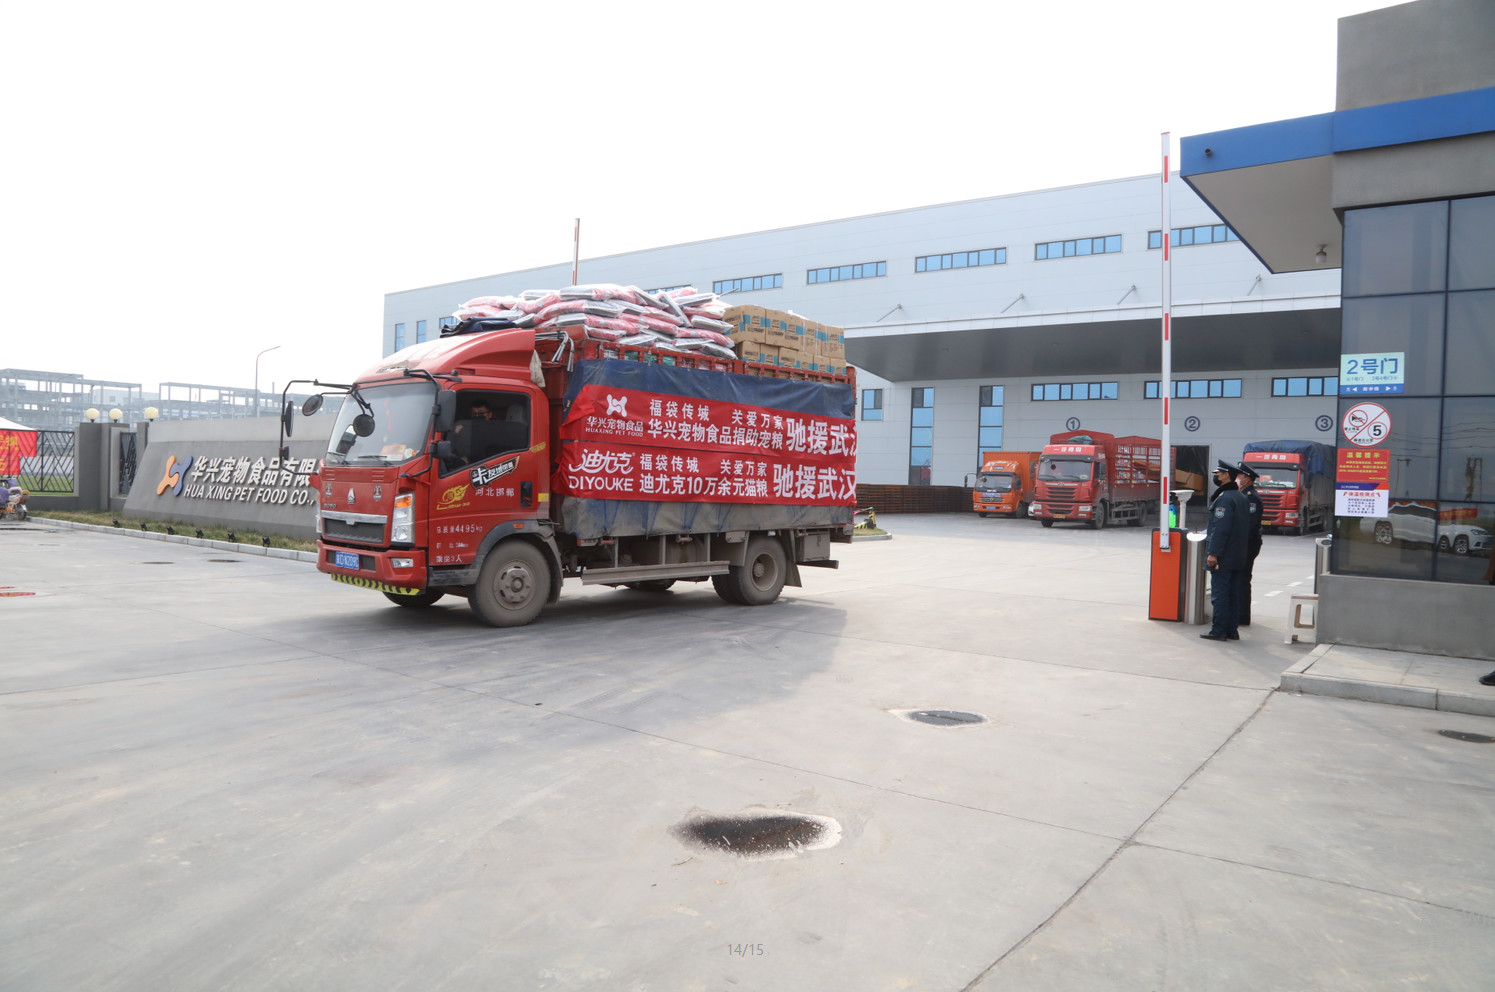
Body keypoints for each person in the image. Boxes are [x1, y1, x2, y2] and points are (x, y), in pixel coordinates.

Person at [1202, 460, 1250, 641]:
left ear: (1226, 475)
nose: (1216, 477)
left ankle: (1219, 630)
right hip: (1238, 555)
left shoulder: (1224, 499)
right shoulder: (1241, 497)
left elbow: (1221, 529)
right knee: (1233, 594)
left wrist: (1214, 553)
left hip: (1224, 556)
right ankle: (1232, 630)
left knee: (1220, 594)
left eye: (1218, 474)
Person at [1235, 461, 1264, 625]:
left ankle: (1242, 616)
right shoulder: (1242, 495)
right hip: (1244, 544)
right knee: (1239, 579)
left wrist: (1239, 544)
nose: (1237, 478)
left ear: (1247, 479)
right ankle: (1239, 613)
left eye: (1239, 475)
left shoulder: (1251, 497)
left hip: (1248, 544)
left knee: (1243, 579)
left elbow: (1251, 526)